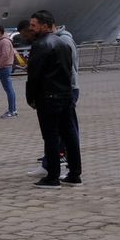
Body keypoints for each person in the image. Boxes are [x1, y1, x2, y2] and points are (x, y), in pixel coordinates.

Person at [25, 11, 82, 187]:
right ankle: (74, 173)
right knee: (70, 135)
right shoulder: (63, 43)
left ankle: (52, 176)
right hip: (65, 96)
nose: (31, 29)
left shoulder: (41, 45)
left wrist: (31, 98)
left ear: (45, 25)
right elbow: (69, 70)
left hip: (48, 98)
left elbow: (34, 75)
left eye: (34, 25)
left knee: (50, 136)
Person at [0, 26, 19, 118]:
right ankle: (12, 109)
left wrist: (0, 65)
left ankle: (12, 111)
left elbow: (5, 55)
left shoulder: (4, 42)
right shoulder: (1, 41)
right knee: (9, 89)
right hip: (5, 67)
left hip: (5, 67)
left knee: (9, 89)